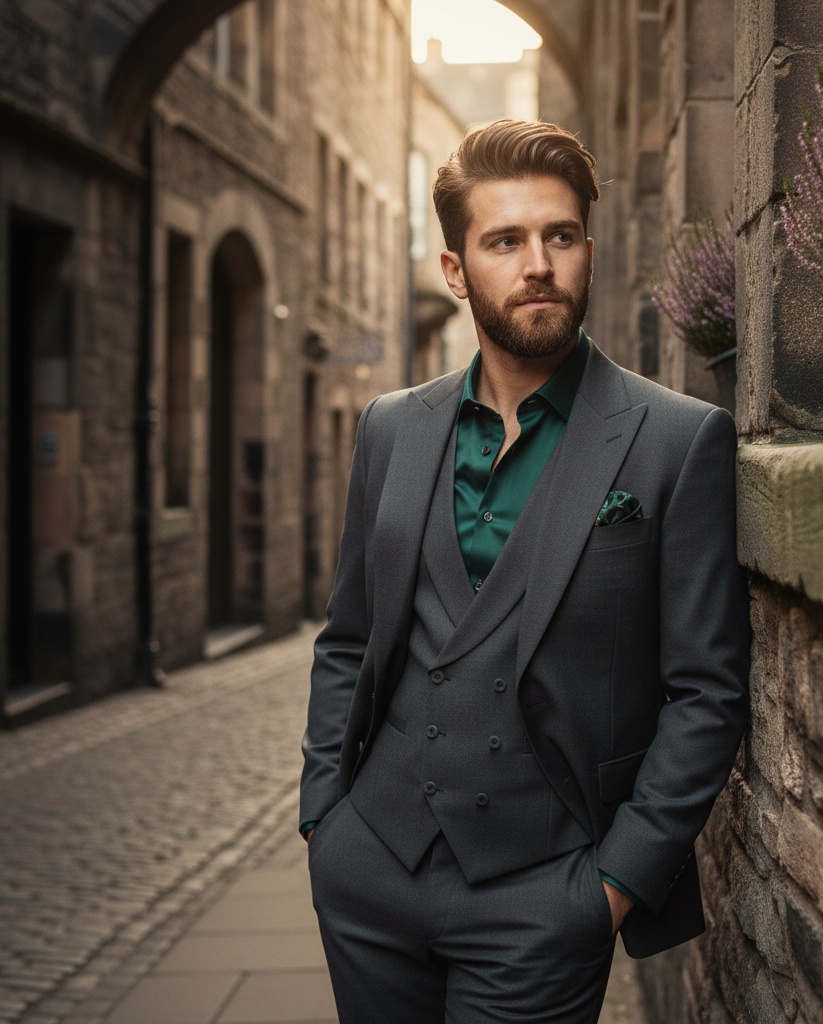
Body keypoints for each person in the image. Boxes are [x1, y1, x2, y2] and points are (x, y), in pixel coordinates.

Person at [300, 118, 750, 1023]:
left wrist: (614, 884)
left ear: (588, 252)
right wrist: (325, 819)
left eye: (560, 236)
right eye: (505, 240)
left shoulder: (675, 439)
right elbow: (349, 636)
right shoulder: (391, 427)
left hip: (544, 899)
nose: (537, 262)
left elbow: (707, 692)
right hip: (370, 876)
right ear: (457, 271)